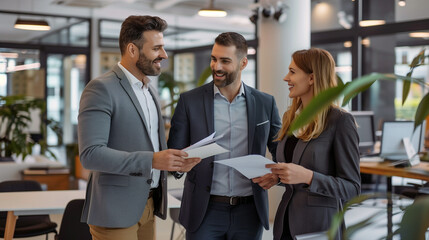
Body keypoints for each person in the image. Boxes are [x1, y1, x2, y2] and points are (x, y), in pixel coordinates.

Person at [78, 15, 200, 240]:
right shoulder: (100, 89)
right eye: (157, 48)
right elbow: (90, 155)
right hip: (115, 211)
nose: (163, 55)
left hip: (150, 205)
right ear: (132, 50)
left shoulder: (150, 89)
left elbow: (150, 145)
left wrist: (175, 163)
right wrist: (152, 160)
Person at [167, 32, 282, 240]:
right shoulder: (189, 101)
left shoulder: (266, 103)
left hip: (249, 211)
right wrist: (177, 166)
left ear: (243, 63)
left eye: (225, 61)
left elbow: (279, 151)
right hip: (204, 211)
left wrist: (277, 175)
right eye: (214, 59)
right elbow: (174, 152)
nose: (216, 66)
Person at [262, 48, 361, 240]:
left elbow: (352, 188)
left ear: (312, 78)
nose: (285, 78)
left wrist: (308, 176)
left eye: (292, 72)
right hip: (285, 224)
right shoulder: (290, 118)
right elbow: (295, 170)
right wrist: (279, 178)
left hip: (319, 227)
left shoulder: (340, 120)